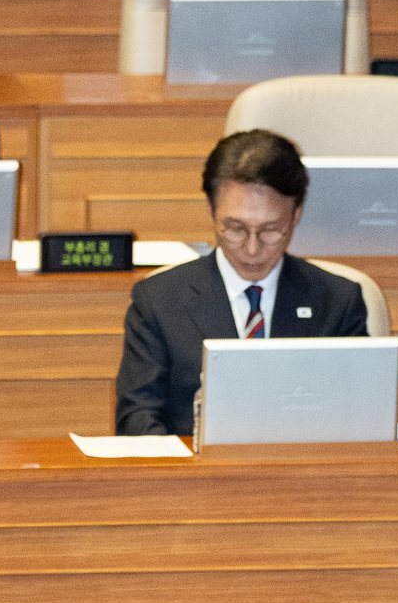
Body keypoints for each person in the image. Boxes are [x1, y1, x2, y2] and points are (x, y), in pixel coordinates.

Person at [115, 128, 367, 436]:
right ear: (211, 211)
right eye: (235, 229)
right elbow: (137, 419)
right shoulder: (159, 301)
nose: (251, 249)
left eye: (271, 230)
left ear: (296, 214)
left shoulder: (337, 300)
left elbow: (361, 415)